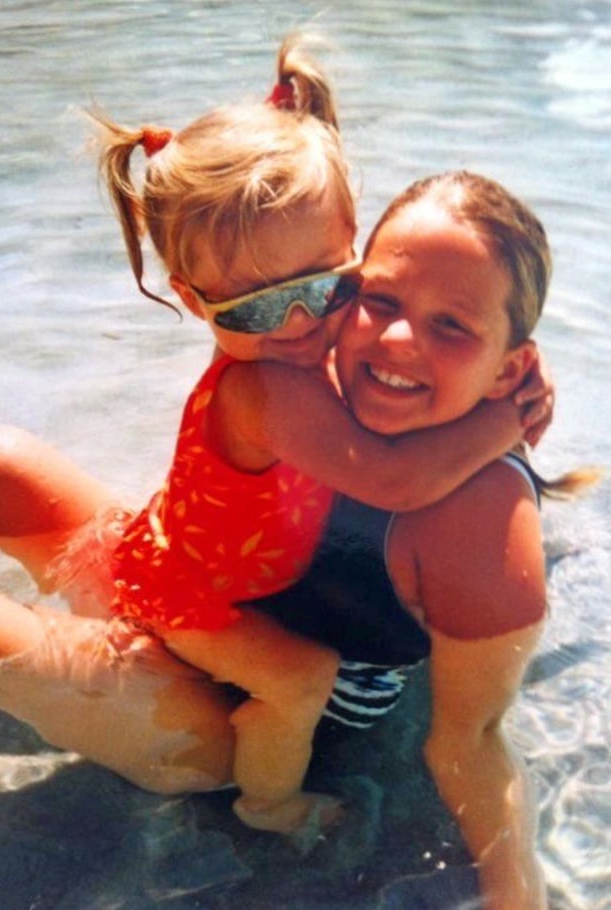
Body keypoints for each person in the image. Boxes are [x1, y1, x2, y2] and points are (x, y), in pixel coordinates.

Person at [0, 37, 549, 839]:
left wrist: (510, 382)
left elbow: (464, 303)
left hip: (213, 649)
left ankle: (265, 801)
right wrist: (509, 410)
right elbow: (402, 462)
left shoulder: (381, 348)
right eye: (254, 309)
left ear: (358, 250)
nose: (298, 325)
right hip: (191, 602)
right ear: (194, 301)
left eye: (332, 288)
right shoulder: (282, 376)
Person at [250, 170, 597, 909]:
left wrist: (515, 893)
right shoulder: (315, 377)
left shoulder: (474, 516)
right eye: (381, 301)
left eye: (452, 326)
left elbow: (470, 739)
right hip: (225, 641)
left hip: (292, 722)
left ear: (510, 368)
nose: (399, 338)